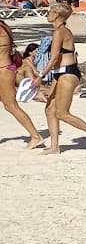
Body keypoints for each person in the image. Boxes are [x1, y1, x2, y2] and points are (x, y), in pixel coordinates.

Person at [41, 2, 86, 152]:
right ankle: (54, 146)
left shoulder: (60, 31)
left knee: (62, 113)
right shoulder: (59, 30)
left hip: (67, 73)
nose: (48, 14)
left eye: (50, 11)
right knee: (50, 109)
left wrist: (40, 75)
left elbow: (55, 56)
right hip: (60, 73)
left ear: (56, 15)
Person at [0, 19, 43, 148]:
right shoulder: (3, 25)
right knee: (10, 106)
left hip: (4, 71)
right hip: (7, 68)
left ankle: (36, 136)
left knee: (11, 106)